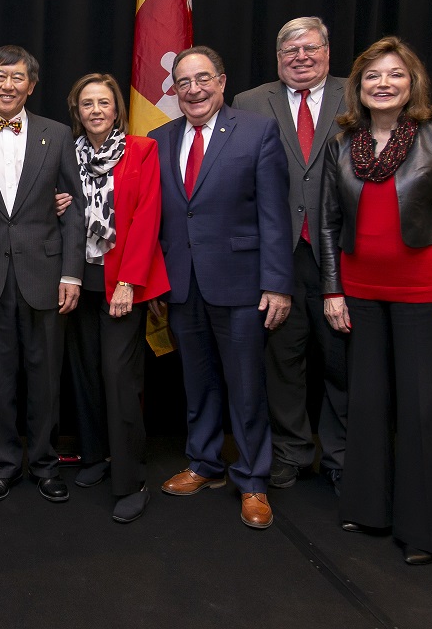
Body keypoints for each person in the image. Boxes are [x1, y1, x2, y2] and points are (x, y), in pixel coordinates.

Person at [320, 36, 432, 565]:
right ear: (359, 88)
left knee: (423, 409)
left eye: (394, 74)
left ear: (411, 83)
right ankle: (369, 509)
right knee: (366, 405)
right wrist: (332, 289)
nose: (383, 83)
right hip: (360, 291)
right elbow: (327, 225)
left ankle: (426, 530)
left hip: (426, 290)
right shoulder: (342, 143)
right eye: (372, 76)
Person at [150, 46, 292, 530]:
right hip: (183, 284)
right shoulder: (159, 138)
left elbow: (275, 215)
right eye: (183, 82)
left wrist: (277, 283)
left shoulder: (257, 132)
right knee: (198, 383)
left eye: (202, 79)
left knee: (247, 387)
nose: (193, 89)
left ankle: (252, 480)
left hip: (242, 283)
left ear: (222, 80)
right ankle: (204, 464)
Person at [0, 46, 85, 506]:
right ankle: (3, 466)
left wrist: (72, 273)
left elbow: (74, 208)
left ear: (31, 85)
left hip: (45, 275)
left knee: (46, 378)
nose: (8, 85)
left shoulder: (59, 134)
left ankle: (45, 465)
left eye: (17, 78)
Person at [233, 17, 350, 493]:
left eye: (310, 48)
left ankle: (343, 456)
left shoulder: (358, 93)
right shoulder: (250, 102)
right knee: (283, 359)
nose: (300, 58)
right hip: (278, 253)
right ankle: (291, 452)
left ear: (327, 50)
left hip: (341, 251)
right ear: (278, 58)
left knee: (342, 360)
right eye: (290, 52)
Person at [60, 73, 170, 522]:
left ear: (117, 108)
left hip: (122, 281)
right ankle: (95, 457)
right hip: (77, 279)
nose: (96, 110)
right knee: (84, 373)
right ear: (77, 111)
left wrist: (128, 281)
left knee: (119, 378)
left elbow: (147, 217)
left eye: (104, 102)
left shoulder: (142, 150)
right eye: (87, 104)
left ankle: (131, 479)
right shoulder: (66, 153)